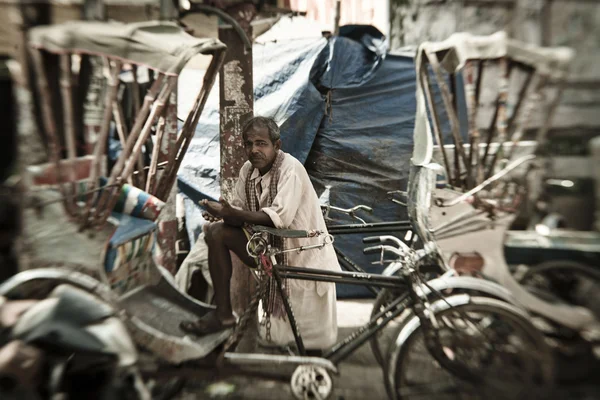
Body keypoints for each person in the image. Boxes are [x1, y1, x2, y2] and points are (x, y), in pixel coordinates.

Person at [180, 116, 340, 349]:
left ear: (277, 145)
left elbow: (278, 219)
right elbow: (239, 210)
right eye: (248, 143)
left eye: (261, 143)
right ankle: (223, 314)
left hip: (302, 253)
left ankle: (315, 368)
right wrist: (222, 214)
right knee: (215, 232)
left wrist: (232, 214)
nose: (254, 149)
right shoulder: (248, 170)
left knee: (310, 340)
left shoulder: (290, 169)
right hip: (269, 249)